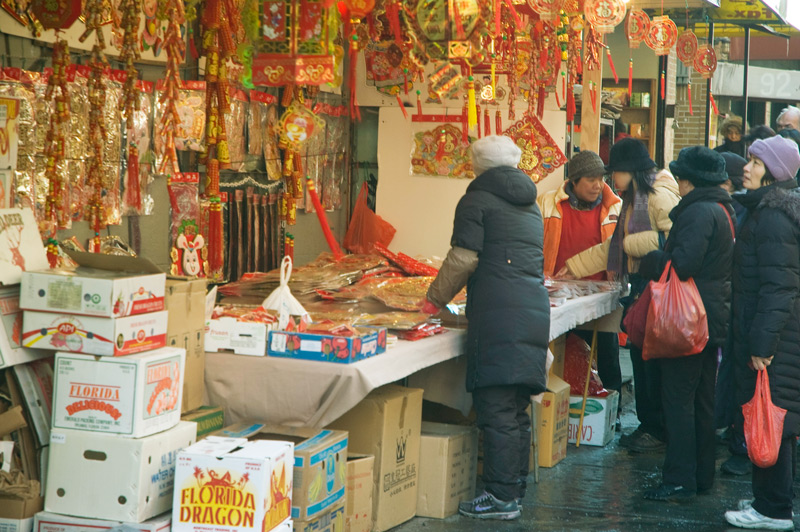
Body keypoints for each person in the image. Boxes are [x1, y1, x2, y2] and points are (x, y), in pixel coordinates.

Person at [422, 135, 550, 521]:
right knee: (515, 409)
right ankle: (512, 492)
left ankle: (499, 498)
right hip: (531, 308)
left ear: (477, 166)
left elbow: (463, 259)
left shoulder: (475, 200)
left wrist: (432, 300)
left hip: (498, 312)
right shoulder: (530, 204)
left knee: (495, 407)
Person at [637, 147, 735, 502]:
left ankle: (678, 479)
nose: (677, 184)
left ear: (689, 180)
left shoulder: (697, 212)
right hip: (710, 319)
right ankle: (701, 475)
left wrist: (653, 259)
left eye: (680, 178)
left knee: (678, 400)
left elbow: (684, 264)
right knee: (702, 400)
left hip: (688, 323)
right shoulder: (723, 209)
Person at [723, 135, 800, 531]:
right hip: (769, 335)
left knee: (773, 419)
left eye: (754, 162)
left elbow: (780, 287)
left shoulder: (772, 218)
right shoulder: (764, 211)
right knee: (767, 417)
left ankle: (773, 510)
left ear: (773, 172)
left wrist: (762, 345)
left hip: (774, 341)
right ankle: (768, 501)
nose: (746, 168)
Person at [606, 138, 681, 454]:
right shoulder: (633, 197)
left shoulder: (657, 196)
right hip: (643, 287)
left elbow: (674, 238)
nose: (612, 179)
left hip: (656, 289)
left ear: (630, 171)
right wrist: (574, 265)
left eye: (616, 172)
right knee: (640, 356)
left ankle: (655, 428)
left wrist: (632, 245)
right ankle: (649, 425)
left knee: (648, 359)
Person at [537, 150, 622, 411]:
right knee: (562, 352)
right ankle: (563, 407)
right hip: (559, 293)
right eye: (590, 180)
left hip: (601, 293)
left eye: (600, 179)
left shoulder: (615, 206)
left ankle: (612, 410)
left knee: (607, 351)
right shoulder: (547, 203)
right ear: (573, 181)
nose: (598, 185)